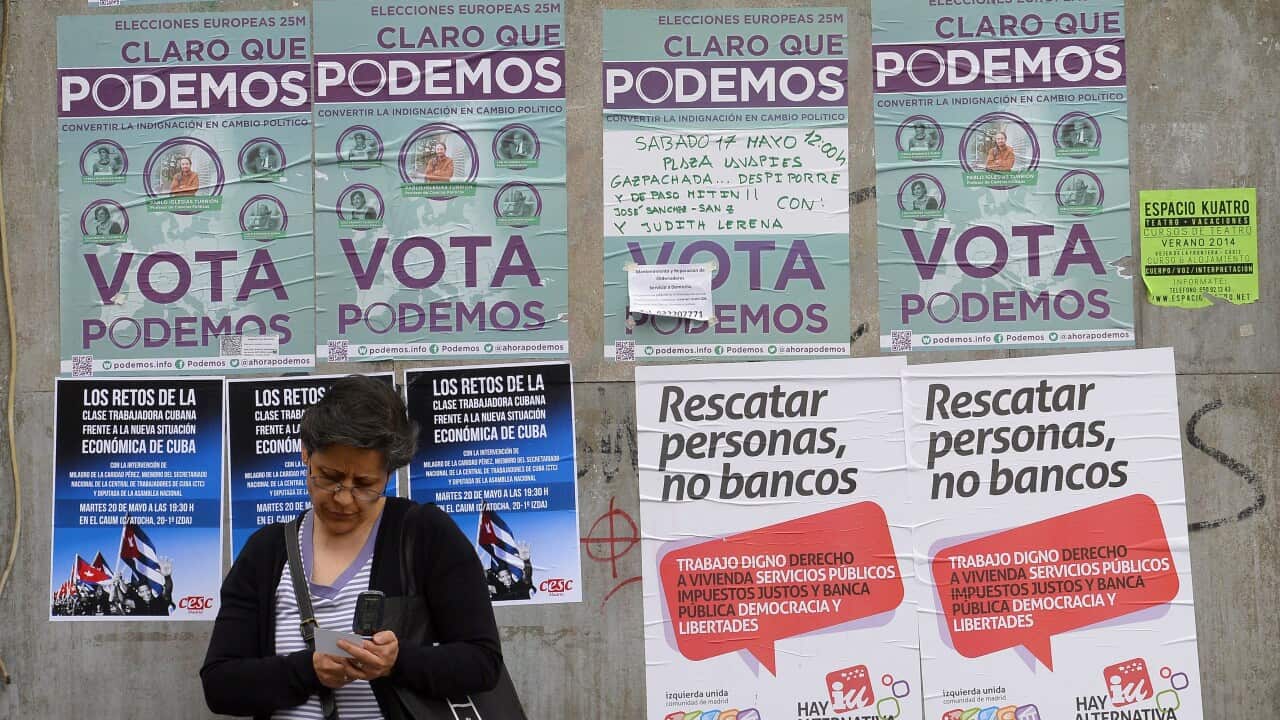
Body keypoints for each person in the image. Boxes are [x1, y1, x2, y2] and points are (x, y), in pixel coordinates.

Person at [201, 376, 502, 719]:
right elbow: (220, 684)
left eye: (364, 484)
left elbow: (482, 662)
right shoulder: (266, 551)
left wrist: (397, 661)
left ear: (388, 473)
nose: (343, 498)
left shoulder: (425, 535)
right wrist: (307, 670)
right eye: (328, 477)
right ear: (305, 455)